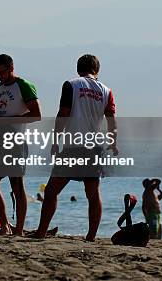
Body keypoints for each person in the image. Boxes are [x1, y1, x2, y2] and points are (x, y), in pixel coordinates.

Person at [33, 54, 118, 241]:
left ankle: (40, 232)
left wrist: (56, 141)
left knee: (51, 191)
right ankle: (91, 236)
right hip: (94, 147)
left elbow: (63, 114)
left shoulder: (71, 85)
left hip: (73, 146)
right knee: (93, 194)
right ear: (97, 70)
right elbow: (111, 121)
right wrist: (113, 142)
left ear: (78, 69)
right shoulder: (106, 91)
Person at [0, 54, 41, 236]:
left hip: (17, 140)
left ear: (11, 68)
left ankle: (19, 230)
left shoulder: (23, 85)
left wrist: (8, 121)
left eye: (2, 72)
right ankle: (4, 224)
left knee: (16, 185)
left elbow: (36, 114)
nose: (0, 76)